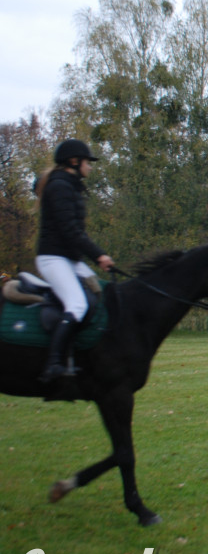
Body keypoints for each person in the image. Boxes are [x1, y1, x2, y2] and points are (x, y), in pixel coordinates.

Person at [35, 139, 115, 383]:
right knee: (77, 305)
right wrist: (99, 255)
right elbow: (70, 230)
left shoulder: (69, 186)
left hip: (68, 258)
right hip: (53, 258)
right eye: (87, 162)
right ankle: (54, 363)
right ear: (73, 162)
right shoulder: (60, 187)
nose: (89, 167)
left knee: (99, 292)